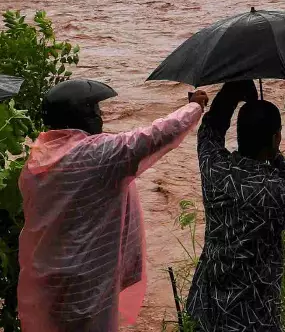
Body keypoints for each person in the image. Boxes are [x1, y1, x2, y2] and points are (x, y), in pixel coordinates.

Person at [17, 79, 207, 332]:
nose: (100, 116)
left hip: (47, 279)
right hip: (89, 281)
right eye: (94, 110)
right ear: (80, 116)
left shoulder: (36, 160)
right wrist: (194, 107)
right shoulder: (98, 155)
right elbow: (156, 135)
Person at [186, 80, 285, 332]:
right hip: (253, 317)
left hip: (207, 309)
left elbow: (210, 130)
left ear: (239, 134)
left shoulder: (215, 169)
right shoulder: (275, 190)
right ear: (276, 137)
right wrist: (277, 157)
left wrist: (233, 90)